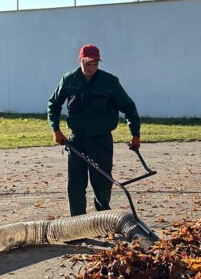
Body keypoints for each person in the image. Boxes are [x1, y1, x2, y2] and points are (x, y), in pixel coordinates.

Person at [47, 44, 142, 216]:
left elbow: (128, 106)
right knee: (76, 184)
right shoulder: (69, 80)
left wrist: (135, 134)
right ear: (80, 60)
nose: (91, 68)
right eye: (87, 63)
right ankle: (77, 222)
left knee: (102, 182)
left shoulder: (110, 82)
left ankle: (102, 218)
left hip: (101, 140)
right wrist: (56, 129)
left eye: (95, 64)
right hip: (77, 140)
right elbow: (53, 104)